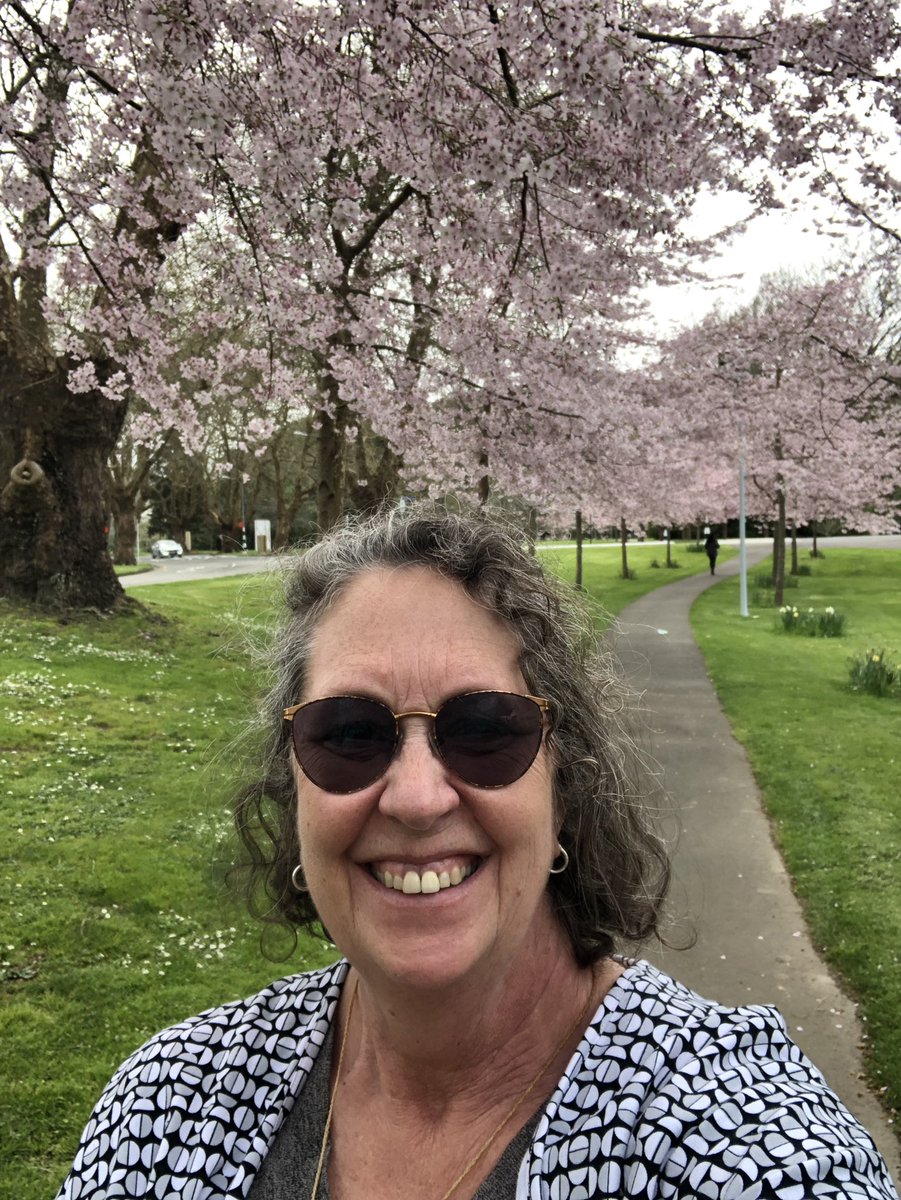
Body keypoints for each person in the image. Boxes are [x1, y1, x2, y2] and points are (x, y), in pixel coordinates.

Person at [55, 506, 898, 1200]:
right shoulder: (166, 1103)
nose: (417, 798)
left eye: (484, 730)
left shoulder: (739, 1144)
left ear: (565, 785)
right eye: (349, 734)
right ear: (295, 787)